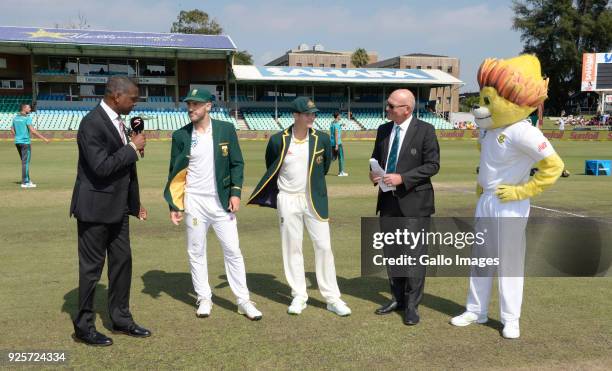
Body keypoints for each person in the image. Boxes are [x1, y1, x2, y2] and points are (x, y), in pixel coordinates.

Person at [163, 88, 262, 321]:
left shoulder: (226, 129)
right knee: (196, 251)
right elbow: (174, 173)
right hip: (194, 201)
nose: (191, 109)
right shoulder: (180, 136)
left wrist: (235, 193)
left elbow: (237, 163)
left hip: (221, 203)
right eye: (189, 104)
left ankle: (243, 300)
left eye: (196, 104)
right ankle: (204, 297)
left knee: (233, 250)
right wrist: (174, 205)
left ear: (208, 106)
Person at [248, 97, 351, 317]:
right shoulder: (278, 140)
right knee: (292, 247)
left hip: (314, 199)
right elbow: (272, 166)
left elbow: (322, 170)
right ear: (295, 115)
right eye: (307, 114)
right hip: (287, 198)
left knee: (323, 246)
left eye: (314, 113)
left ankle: (332, 298)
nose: (312, 117)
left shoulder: (322, 139)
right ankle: (299, 295)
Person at [69, 76, 149, 346]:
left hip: (118, 209)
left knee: (122, 265)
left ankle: (121, 319)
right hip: (94, 210)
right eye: (133, 98)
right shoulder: (91, 123)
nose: (135, 103)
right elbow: (101, 167)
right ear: (117, 96)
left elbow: (125, 170)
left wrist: (134, 204)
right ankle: (83, 328)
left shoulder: (118, 121)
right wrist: (131, 148)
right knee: (92, 270)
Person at [369, 89, 440, 326]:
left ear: (406, 109)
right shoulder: (383, 129)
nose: (386, 109)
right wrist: (374, 174)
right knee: (392, 254)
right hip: (387, 201)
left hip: (415, 204)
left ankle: (412, 306)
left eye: (391, 106)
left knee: (414, 257)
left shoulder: (426, 130)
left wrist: (403, 178)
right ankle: (397, 299)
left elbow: (433, 165)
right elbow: (376, 160)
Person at [11, 103, 49, 188]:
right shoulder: (27, 118)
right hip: (25, 143)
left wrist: (18, 136)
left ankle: (27, 179)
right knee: (26, 163)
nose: (30, 109)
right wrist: (44, 138)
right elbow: (33, 131)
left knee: (24, 162)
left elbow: (12, 129)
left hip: (18, 142)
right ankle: (25, 182)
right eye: (29, 108)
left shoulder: (15, 118)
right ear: (24, 108)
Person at [330, 112, 348, 176]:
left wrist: (341, 125)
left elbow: (334, 130)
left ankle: (321, 168)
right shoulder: (336, 124)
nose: (340, 116)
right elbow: (336, 134)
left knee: (333, 158)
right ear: (337, 116)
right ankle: (341, 172)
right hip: (337, 143)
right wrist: (337, 144)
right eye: (340, 115)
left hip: (332, 143)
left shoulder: (333, 123)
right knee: (341, 157)